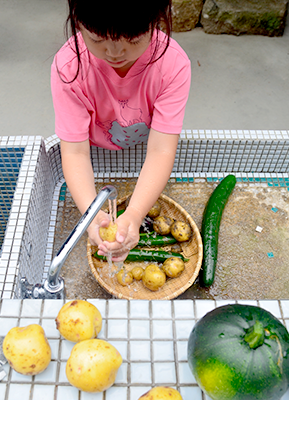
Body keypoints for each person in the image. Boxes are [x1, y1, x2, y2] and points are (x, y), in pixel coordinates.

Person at [51, 0, 191, 261]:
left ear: (158, 19)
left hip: (143, 145)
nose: (115, 52)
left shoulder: (172, 65)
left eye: (134, 39)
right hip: (92, 147)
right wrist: (91, 217)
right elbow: (75, 153)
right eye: (96, 38)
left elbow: (161, 150)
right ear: (77, 21)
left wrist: (136, 213)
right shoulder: (69, 66)